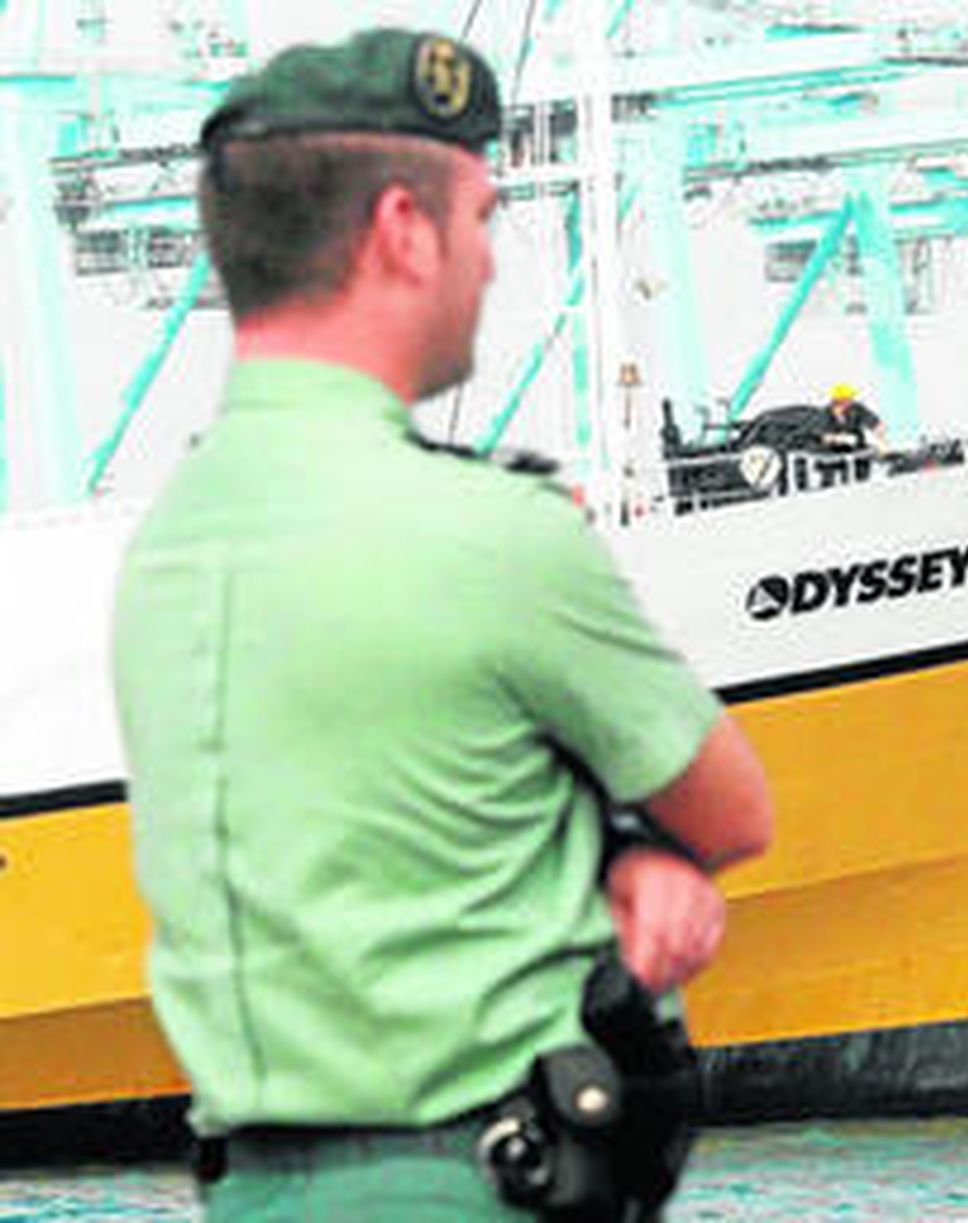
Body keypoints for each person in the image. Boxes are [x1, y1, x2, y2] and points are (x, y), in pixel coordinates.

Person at [111, 28, 772, 1222]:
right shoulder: (492, 536)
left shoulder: (166, 549)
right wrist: (641, 855)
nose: (490, 263)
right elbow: (733, 810)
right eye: (481, 220)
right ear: (403, 231)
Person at [819, 383, 887, 456]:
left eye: (850, 398)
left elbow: (873, 421)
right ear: (838, 400)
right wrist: (838, 439)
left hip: (857, 448)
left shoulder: (856, 408)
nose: (851, 400)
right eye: (848, 398)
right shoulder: (824, 414)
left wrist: (878, 429)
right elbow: (822, 437)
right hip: (832, 452)